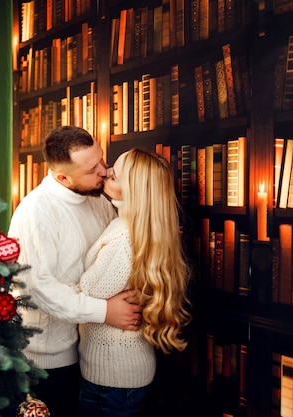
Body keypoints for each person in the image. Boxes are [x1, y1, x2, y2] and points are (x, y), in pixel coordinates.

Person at [8, 126, 143, 417]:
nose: (105, 172)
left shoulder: (98, 198)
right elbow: (38, 289)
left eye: (102, 159)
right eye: (93, 169)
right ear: (63, 178)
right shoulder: (35, 213)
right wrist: (105, 311)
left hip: (83, 352)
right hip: (40, 360)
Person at [77, 148, 192, 417]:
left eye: (114, 177)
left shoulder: (122, 237)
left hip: (110, 377)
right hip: (126, 372)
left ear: (134, 192)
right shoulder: (143, 230)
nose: (104, 174)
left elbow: (85, 294)